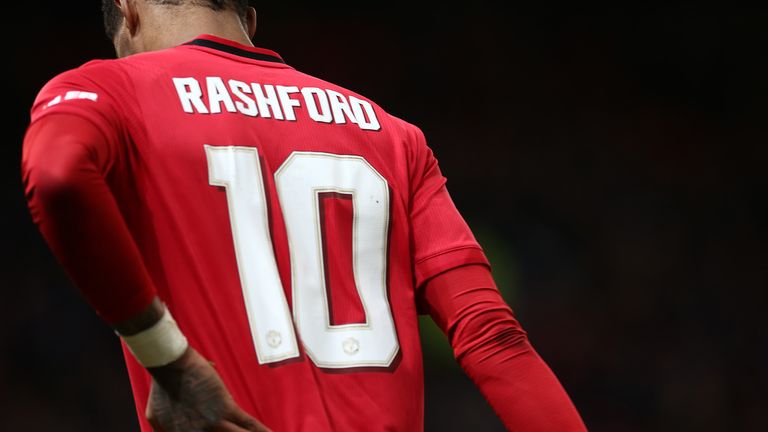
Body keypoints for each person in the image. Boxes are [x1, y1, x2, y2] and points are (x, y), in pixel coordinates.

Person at [21, 1, 587, 431]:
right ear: (250, 19)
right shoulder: (391, 135)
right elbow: (495, 340)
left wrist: (170, 362)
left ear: (127, 14)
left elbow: (56, 176)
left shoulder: (109, 90)